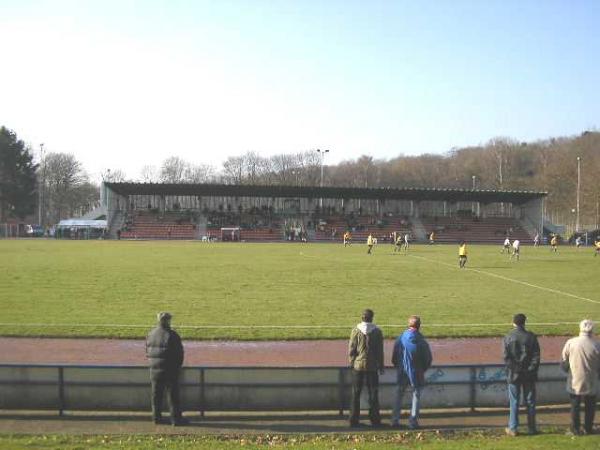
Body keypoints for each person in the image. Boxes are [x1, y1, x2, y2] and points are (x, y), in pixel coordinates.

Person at [146, 312, 188, 426]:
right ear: (168, 321)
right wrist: (177, 367)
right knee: (173, 396)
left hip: (154, 370)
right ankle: (176, 419)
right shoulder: (172, 335)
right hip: (170, 370)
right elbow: (179, 354)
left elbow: (147, 352)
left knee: (156, 395)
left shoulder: (151, 334)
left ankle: (156, 418)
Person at [391, 315, 432, 429]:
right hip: (417, 372)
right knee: (416, 396)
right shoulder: (422, 341)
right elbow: (428, 359)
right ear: (419, 326)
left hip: (402, 371)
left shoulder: (400, 338)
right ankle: (413, 422)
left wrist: (399, 366)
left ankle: (395, 420)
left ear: (409, 325)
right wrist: (421, 369)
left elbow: (394, 357)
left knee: (399, 395)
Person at [560, 319, 600, 435]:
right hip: (591, 379)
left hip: (575, 379)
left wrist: (568, 371)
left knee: (575, 405)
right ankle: (588, 428)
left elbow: (564, 361)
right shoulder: (597, 345)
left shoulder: (571, 342)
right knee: (590, 406)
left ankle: (575, 429)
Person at [503, 313, 540, 436]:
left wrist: (516, 368)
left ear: (513, 323)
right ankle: (531, 428)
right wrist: (529, 369)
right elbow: (536, 357)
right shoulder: (531, 337)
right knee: (530, 401)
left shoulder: (508, 337)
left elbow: (506, 358)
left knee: (514, 401)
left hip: (514, 374)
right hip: (528, 374)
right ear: (524, 322)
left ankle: (513, 428)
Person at [348, 309, 384, 427]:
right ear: (372, 318)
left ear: (362, 318)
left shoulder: (356, 330)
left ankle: (353, 419)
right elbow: (380, 351)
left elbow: (352, 349)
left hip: (358, 366)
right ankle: (375, 419)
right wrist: (381, 365)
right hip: (372, 366)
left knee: (355, 393)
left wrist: (351, 362)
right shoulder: (377, 332)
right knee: (373, 393)